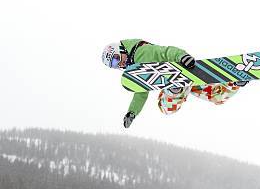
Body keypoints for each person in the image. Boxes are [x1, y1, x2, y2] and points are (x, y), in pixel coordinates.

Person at [101, 39, 244, 128]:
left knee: (165, 108)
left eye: (115, 59)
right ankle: (235, 83)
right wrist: (132, 112)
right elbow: (141, 92)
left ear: (120, 50)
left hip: (176, 75)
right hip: (185, 77)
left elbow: (165, 51)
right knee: (216, 97)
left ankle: (174, 89)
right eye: (114, 65)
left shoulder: (141, 52)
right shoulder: (133, 69)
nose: (119, 64)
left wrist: (182, 56)